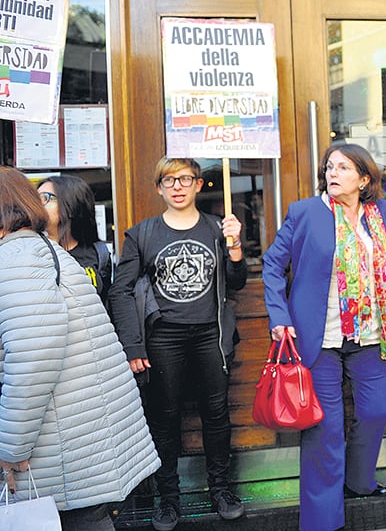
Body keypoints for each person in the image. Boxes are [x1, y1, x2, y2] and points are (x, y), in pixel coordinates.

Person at [0, 167, 160, 531]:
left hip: (60, 446)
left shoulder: (18, 258)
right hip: (79, 438)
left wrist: (10, 448)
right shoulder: (37, 250)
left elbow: (33, 357)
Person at [262, 143, 386, 531]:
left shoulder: (381, 214)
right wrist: (279, 315)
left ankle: (359, 482)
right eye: (330, 167)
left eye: (344, 168)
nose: (333, 173)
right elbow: (273, 267)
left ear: (363, 179)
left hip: (371, 335)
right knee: (325, 429)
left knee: (376, 409)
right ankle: (323, 520)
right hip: (319, 337)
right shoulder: (305, 213)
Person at [109, 157, 248, 531]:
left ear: (199, 185)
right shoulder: (141, 234)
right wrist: (134, 346)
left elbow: (236, 283)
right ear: (159, 188)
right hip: (163, 337)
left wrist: (235, 249)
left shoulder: (219, 229)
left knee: (216, 414)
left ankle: (221, 489)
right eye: (168, 180)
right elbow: (120, 291)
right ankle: (167, 498)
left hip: (210, 336)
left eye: (186, 179)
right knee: (164, 417)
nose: (177, 186)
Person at [37, 174, 113, 305]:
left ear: (71, 205)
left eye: (45, 198)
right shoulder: (33, 252)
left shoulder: (99, 254)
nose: (37, 205)